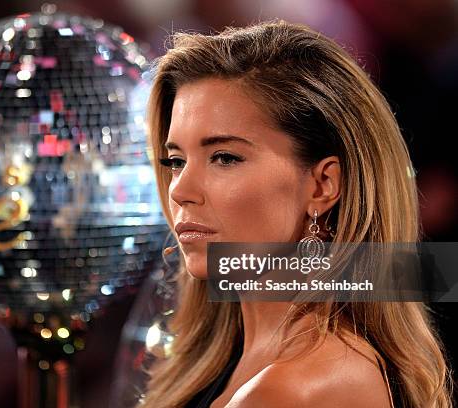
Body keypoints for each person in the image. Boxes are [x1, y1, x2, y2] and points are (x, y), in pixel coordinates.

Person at [140, 20, 454, 407]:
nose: (180, 189)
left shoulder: (295, 390)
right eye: (175, 160)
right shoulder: (220, 360)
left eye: (224, 157)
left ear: (323, 185)